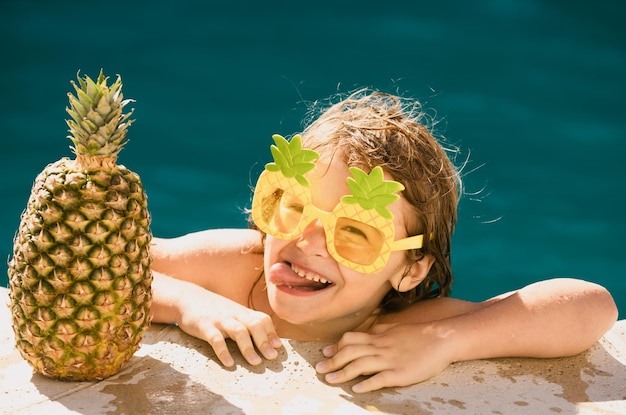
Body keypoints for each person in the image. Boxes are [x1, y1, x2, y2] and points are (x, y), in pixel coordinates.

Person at [149, 89, 618, 393]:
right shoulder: (233, 266)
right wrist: (184, 301)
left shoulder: (402, 325)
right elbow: (102, 260)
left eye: (354, 232)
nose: (308, 242)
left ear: (410, 269)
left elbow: (592, 306)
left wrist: (444, 341)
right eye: (293, 207)